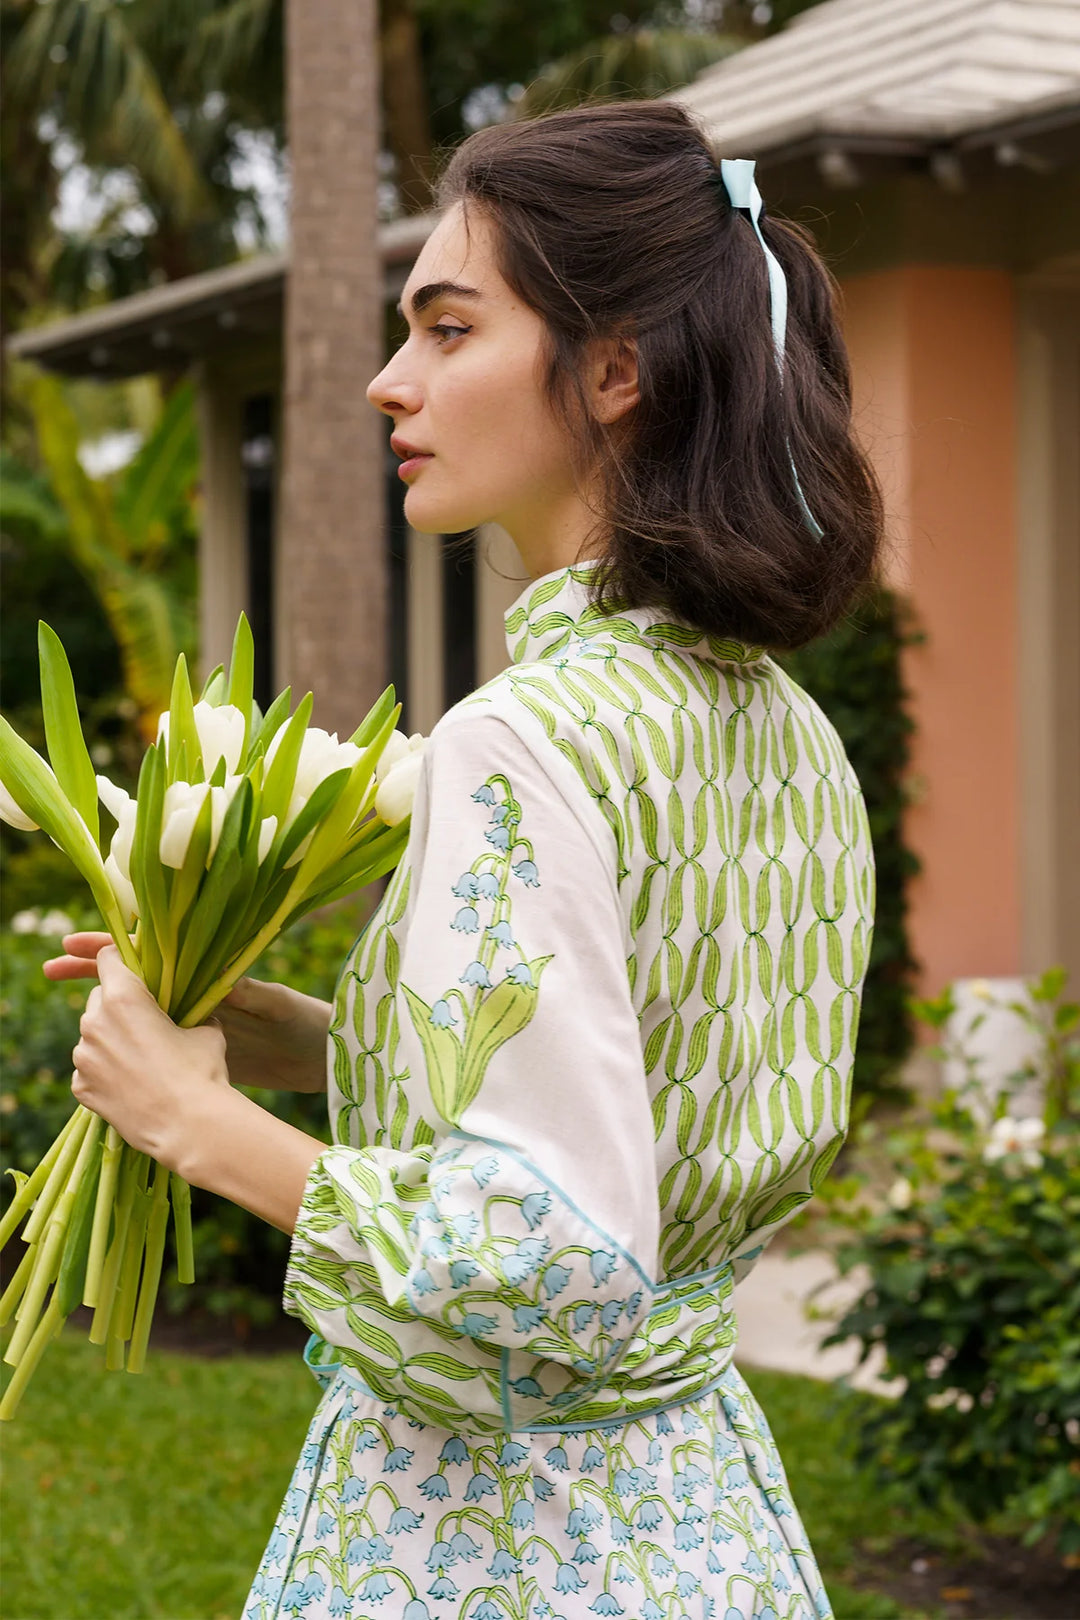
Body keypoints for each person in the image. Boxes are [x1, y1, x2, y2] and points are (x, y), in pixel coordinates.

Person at [47, 100, 881, 1620]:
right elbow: (632, 1095)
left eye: (446, 328)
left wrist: (195, 1121)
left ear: (616, 369)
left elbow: (550, 1259)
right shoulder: (788, 735)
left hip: (496, 1531)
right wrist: (289, 1035)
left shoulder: (523, 742)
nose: (389, 379)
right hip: (698, 1515)